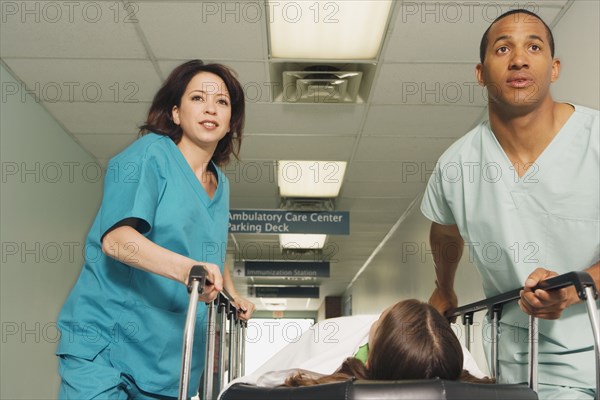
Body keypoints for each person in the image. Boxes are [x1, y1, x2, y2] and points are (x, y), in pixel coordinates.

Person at [421, 9, 599, 400]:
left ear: (553, 68)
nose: (519, 58)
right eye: (503, 48)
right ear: (480, 73)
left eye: (533, 47)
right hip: (530, 358)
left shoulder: (596, 140)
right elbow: (444, 228)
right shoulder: (456, 165)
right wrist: (444, 287)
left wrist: (576, 289)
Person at [56, 60, 256, 399]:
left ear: (229, 123)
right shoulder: (147, 156)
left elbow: (208, 249)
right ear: (176, 113)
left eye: (222, 102)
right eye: (197, 98)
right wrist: (187, 271)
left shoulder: (220, 186)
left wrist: (232, 293)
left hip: (167, 360)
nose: (210, 107)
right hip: (107, 346)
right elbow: (117, 241)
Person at [219, 299, 491, 398]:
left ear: (370, 363)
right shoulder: (456, 360)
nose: (373, 320)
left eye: (379, 322)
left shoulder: (330, 335)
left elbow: (243, 390)